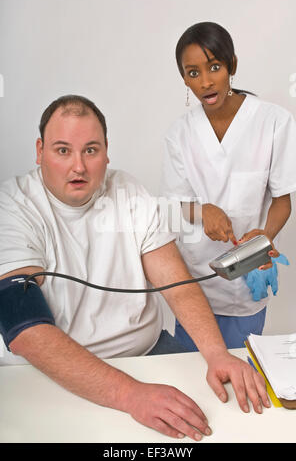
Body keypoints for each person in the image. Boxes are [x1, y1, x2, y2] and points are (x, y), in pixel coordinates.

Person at [0, 95, 270, 442]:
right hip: (48, 371)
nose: (78, 166)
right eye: (63, 150)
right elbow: (25, 330)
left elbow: (176, 282)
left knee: (231, 423)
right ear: (40, 152)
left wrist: (218, 354)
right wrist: (130, 395)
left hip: (147, 352)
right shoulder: (12, 206)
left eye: (91, 150)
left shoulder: (128, 191)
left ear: (107, 151)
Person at [161, 22, 296, 351]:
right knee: (194, 378)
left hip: (245, 282)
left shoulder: (274, 122)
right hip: (195, 283)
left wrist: (265, 235)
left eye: (214, 67)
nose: (205, 82)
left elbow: (282, 200)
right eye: (193, 73)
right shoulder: (180, 134)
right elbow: (175, 207)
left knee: (243, 377)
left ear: (232, 66)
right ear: (183, 78)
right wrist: (202, 210)